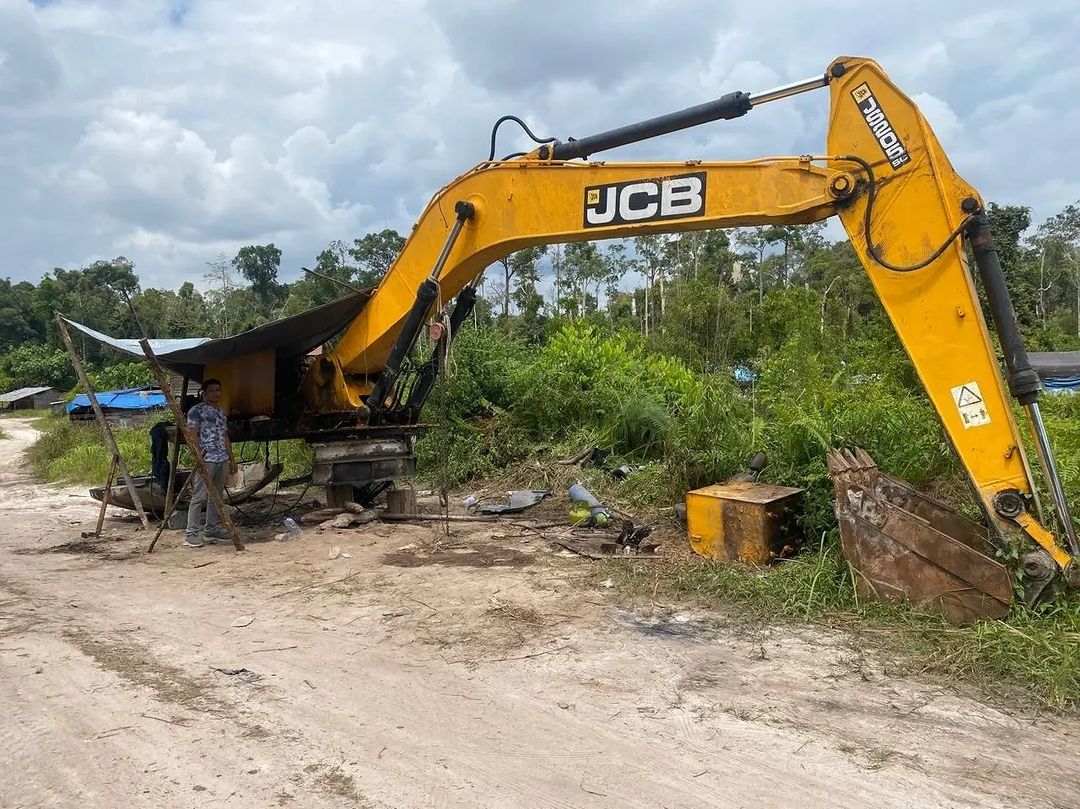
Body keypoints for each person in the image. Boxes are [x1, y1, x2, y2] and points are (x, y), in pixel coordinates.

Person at [184, 378, 237, 547]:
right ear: (204, 393)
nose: (216, 393)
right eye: (212, 390)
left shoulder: (220, 412)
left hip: (221, 458)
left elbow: (225, 436)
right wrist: (198, 457)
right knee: (199, 496)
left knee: (217, 497)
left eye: (218, 390)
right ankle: (191, 534)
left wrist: (231, 459)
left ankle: (211, 529)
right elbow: (192, 436)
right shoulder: (196, 411)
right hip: (206, 459)